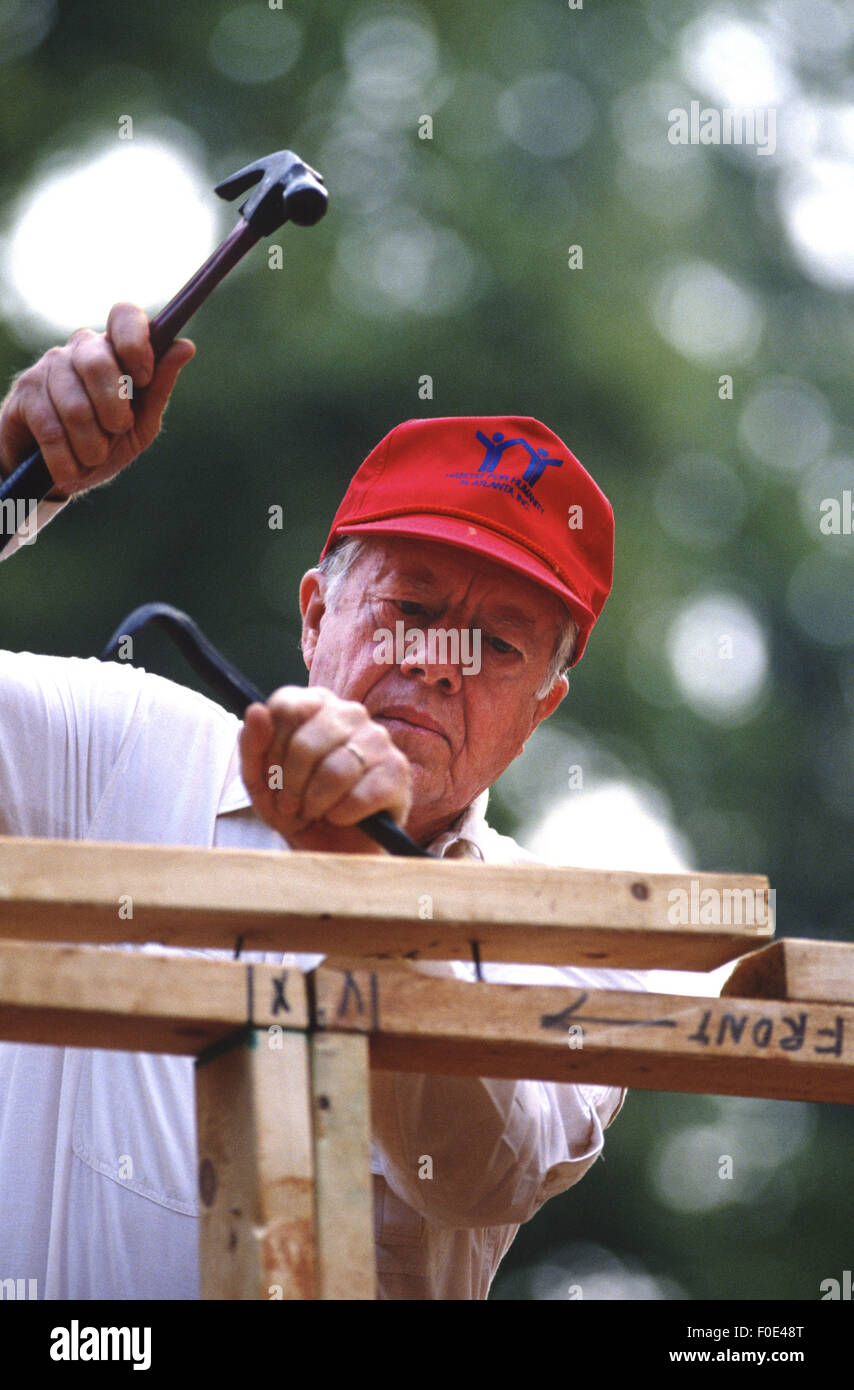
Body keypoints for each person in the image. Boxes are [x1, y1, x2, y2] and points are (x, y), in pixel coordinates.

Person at [0, 303, 646, 1301]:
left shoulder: (573, 935)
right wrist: (7, 490)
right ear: (317, 615)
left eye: (499, 646)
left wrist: (361, 883)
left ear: (540, 711)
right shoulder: (110, 748)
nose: (439, 665)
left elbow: (484, 1167)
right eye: (410, 608)